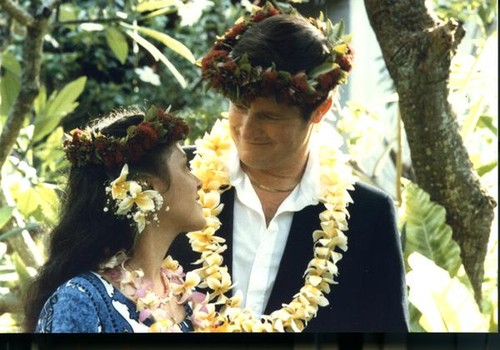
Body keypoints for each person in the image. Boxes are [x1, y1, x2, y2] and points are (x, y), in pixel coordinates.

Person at [168, 3, 410, 332]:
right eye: (239, 107)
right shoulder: (175, 179)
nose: (247, 129)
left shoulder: (368, 217)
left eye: (268, 116)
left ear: (319, 110)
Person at [23, 106, 210, 333]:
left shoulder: (184, 297)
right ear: (147, 186)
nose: (198, 181)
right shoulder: (80, 301)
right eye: (185, 167)